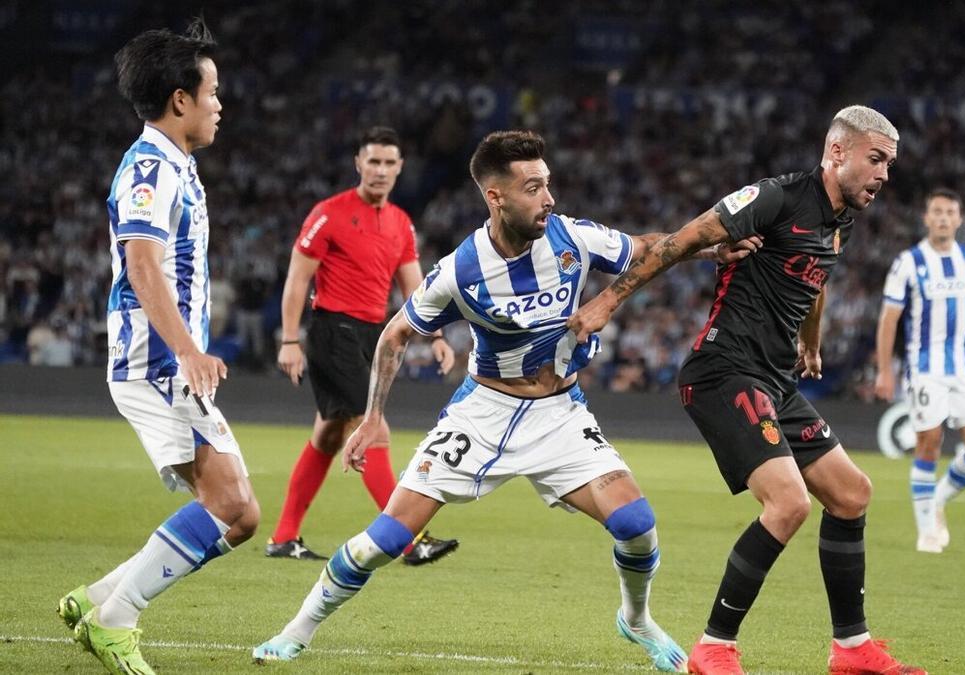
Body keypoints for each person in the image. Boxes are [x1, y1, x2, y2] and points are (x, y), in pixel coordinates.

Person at [251, 130, 756, 671]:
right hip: (483, 414)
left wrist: (707, 249)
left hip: (560, 415)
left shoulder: (572, 238)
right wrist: (374, 417)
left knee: (637, 524)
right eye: (533, 188)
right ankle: (295, 632)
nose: (549, 199)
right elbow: (395, 333)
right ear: (496, 197)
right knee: (387, 539)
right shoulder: (461, 270)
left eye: (547, 185)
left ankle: (636, 620)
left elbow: (646, 247)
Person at [569, 106, 924, 675]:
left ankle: (852, 650)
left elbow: (816, 277)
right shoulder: (775, 198)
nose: (884, 174)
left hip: (774, 379)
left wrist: (810, 340)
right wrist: (607, 302)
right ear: (837, 151)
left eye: (890, 164)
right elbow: (681, 241)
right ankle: (714, 649)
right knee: (788, 504)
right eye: (875, 159)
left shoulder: (839, 219)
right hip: (723, 371)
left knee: (852, 494)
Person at [56, 20, 259, 674]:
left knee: (238, 512)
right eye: (213, 92)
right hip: (157, 360)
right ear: (180, 99)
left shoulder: (175, 165)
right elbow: (142, 265)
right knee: (231, 506)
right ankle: (115, 620)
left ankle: (96, 599)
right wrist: (188, 351)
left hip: (165, 360)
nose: (219, 104)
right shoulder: (151, 167)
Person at [266, 126, 458, 564]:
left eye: (390, 163)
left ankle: (283, 537)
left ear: (400, 169)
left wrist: (437, 335)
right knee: (374, 427)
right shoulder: (329, 214)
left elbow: (415, 287)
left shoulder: (400, 223)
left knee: (329, 433)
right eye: (373, 161)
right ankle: (410, 539)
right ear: (358, 164)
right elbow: (298, 278)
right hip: (333, 332)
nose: (381, 170)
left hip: (374, 336)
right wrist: (290, 339)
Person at [874, 188, 965, 554]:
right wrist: (885, 370)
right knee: (928, 443)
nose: (944, 217)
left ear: (959, 219)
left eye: (950, 212)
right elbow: (889, 320)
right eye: (937, 212)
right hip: (925, 369)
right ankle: (928, 530)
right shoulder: (908, 262)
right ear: (926, 218)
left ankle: (939, 499)